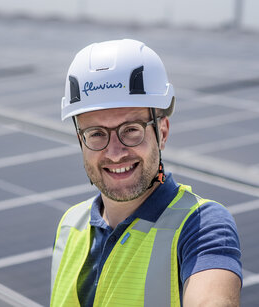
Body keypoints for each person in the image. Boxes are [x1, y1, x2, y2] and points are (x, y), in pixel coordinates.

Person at [51, 39, 242, 306]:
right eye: (96, 134)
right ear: (80, 140)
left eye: (131, 130)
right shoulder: (71, 225)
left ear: (162, 133)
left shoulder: (201, 225)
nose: (115, 152)